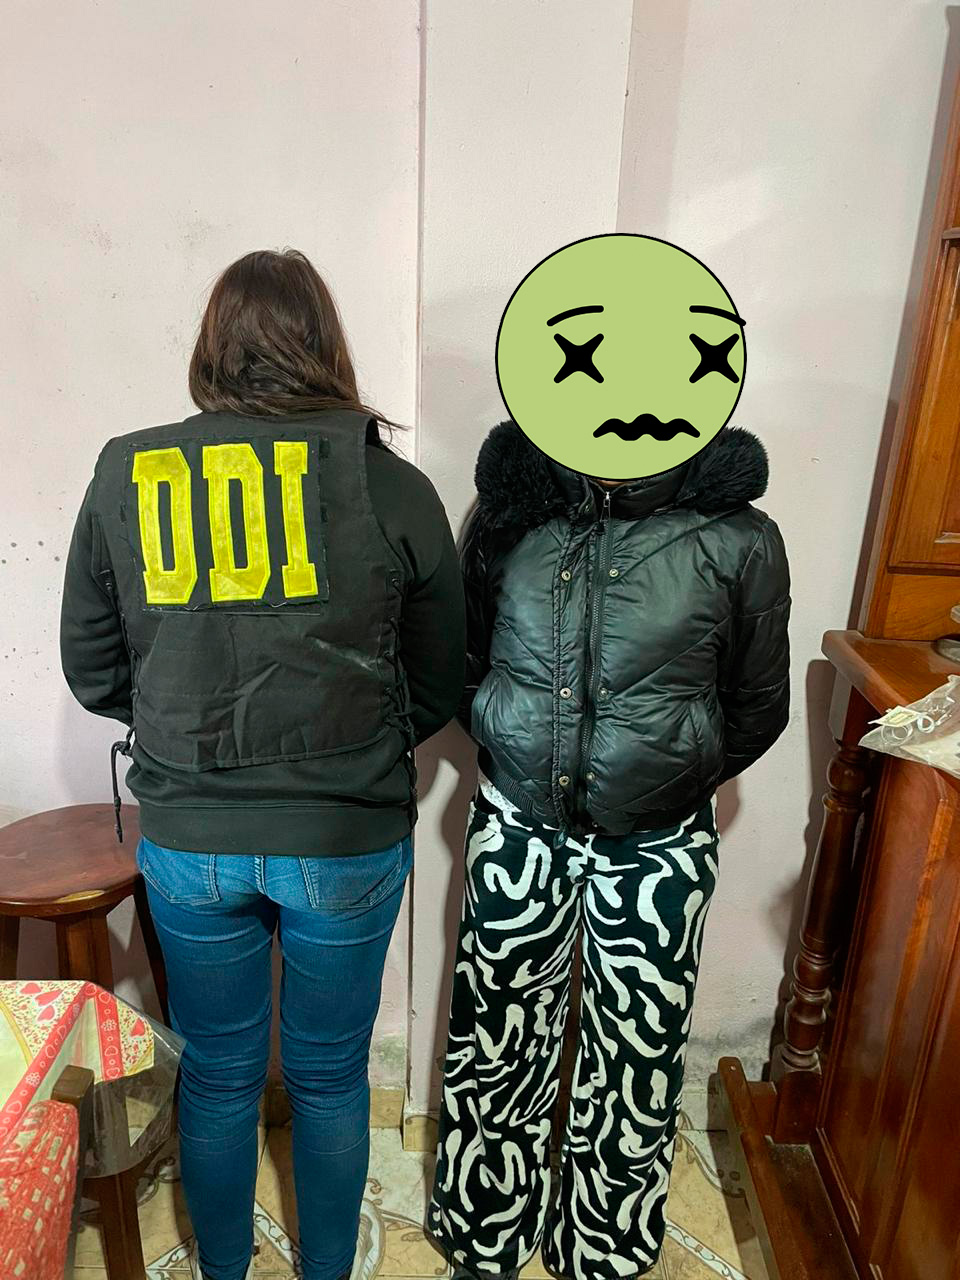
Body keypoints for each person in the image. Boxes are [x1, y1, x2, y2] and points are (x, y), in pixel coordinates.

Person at [60, 249, 465, 1280]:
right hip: (345, 830)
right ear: (325, 344)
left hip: (191, 832)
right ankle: (327, 1266)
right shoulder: (391, 484)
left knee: (218, 1073)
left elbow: (93, 667)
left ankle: (224, 1270)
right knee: (328, 1078)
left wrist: (183, 729)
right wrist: (356, 743)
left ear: (213, 347)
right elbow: (440, 678)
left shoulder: (127, 472)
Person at [427, 419, 790, 1280]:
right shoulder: (510, 511)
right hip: (518, 826)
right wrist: (513, 743)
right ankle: (486, 1232)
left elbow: (757, 704)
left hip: (659, 844)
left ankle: (605, 1248)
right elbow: (464, 660)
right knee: (497, 1037)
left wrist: (669, 772)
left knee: (638, 1056)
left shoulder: (738, 536)